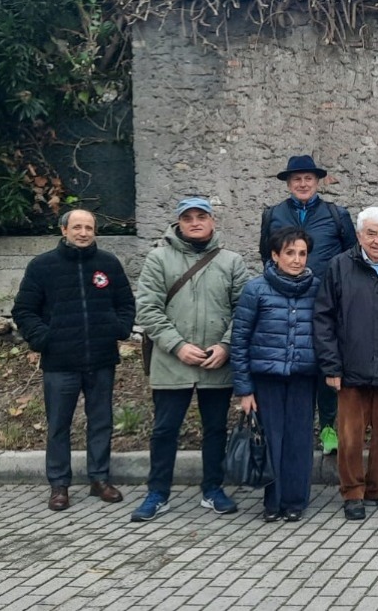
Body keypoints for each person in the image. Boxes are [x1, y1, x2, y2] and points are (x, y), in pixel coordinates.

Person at [132, 197, 250, 522]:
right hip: (173, 361)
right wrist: (177, 345)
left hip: (216, 361)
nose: (195, 222)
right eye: (188, 218)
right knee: (164, 430)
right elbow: (148, 309)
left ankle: (212, 489)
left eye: (201, 216)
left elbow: (243, 310)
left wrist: (226, 346)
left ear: (212, 221)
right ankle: (158, 493)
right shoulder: (158, 259)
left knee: (215, 429)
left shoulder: (231, 261)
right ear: (179, 223)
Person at [12, 209, 135, 511]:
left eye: (89, 227)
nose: (83, 233)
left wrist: (118, 329)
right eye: (77, 227)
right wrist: (45, 338)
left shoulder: (108, 264)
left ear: (95, 231)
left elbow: (125, 303)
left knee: (101, 422)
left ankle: (100, 479)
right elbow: (24, 310)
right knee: (58, 425)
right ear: (63, 230)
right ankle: (59, 485)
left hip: (101, 358)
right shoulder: (42, 266)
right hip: (60, 362)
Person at [314, 206, 378, 520]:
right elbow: (323, 319)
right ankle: (353, 493)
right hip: (350, 370)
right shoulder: (339, 267)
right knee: (350, 437)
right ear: (359, 235)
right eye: (371, 233)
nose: (377, 240)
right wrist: (331, 366)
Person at [259, 155, 355, 457]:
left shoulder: (336, 214)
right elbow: (265, 254)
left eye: (308, 179)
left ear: (318, 182)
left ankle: (328, 426)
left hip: (325, 302)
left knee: (326, 361)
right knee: (292, 362)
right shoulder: (273, 214)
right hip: (285, 300)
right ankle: (292, 427)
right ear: (288, 183)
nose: (303, 184)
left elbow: (351, 255)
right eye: (297, 179)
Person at [231, 227, 320, 523]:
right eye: (289, 253)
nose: (296, 260)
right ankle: (273, 500)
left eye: (302, 253)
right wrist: (244, 390)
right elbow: (240, 339)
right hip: (266, 379)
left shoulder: (316, 288)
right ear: (275, 255)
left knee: (298, 440)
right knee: (271, 440)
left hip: (302, 377)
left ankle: (295, 500)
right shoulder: (256, 289)